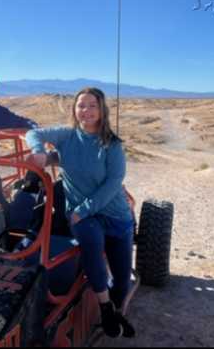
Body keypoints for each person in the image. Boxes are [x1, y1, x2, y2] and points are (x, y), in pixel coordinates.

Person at [25, 87, 135, 338]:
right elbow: (33, 133)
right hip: (82, 216)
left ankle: (117, 312)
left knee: (122, 281)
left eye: (92, 105)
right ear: (74, 110)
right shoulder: (67, 136)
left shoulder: (112, 145)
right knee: (92, 243)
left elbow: (113, 184)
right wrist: (39, 151)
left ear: (102, 110)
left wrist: (84, 209)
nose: (86, 111)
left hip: (115, 214)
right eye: (81, 105)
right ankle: (105, 309)